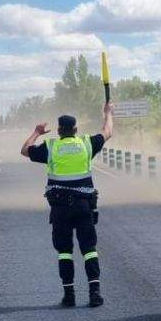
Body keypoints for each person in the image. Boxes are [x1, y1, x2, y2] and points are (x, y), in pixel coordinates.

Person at [21, 103, 115, 307]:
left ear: (59, 130)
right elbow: (108, 132)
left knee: (64, 251)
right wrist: (108, 113)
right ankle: (94, 293)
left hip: (60, 208)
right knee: (89, 249)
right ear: (75, 130)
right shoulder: (87, 144)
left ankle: (69, 294)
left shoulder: (51, 147)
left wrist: (37, 132)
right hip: (84, 206)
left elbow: (25, 151)